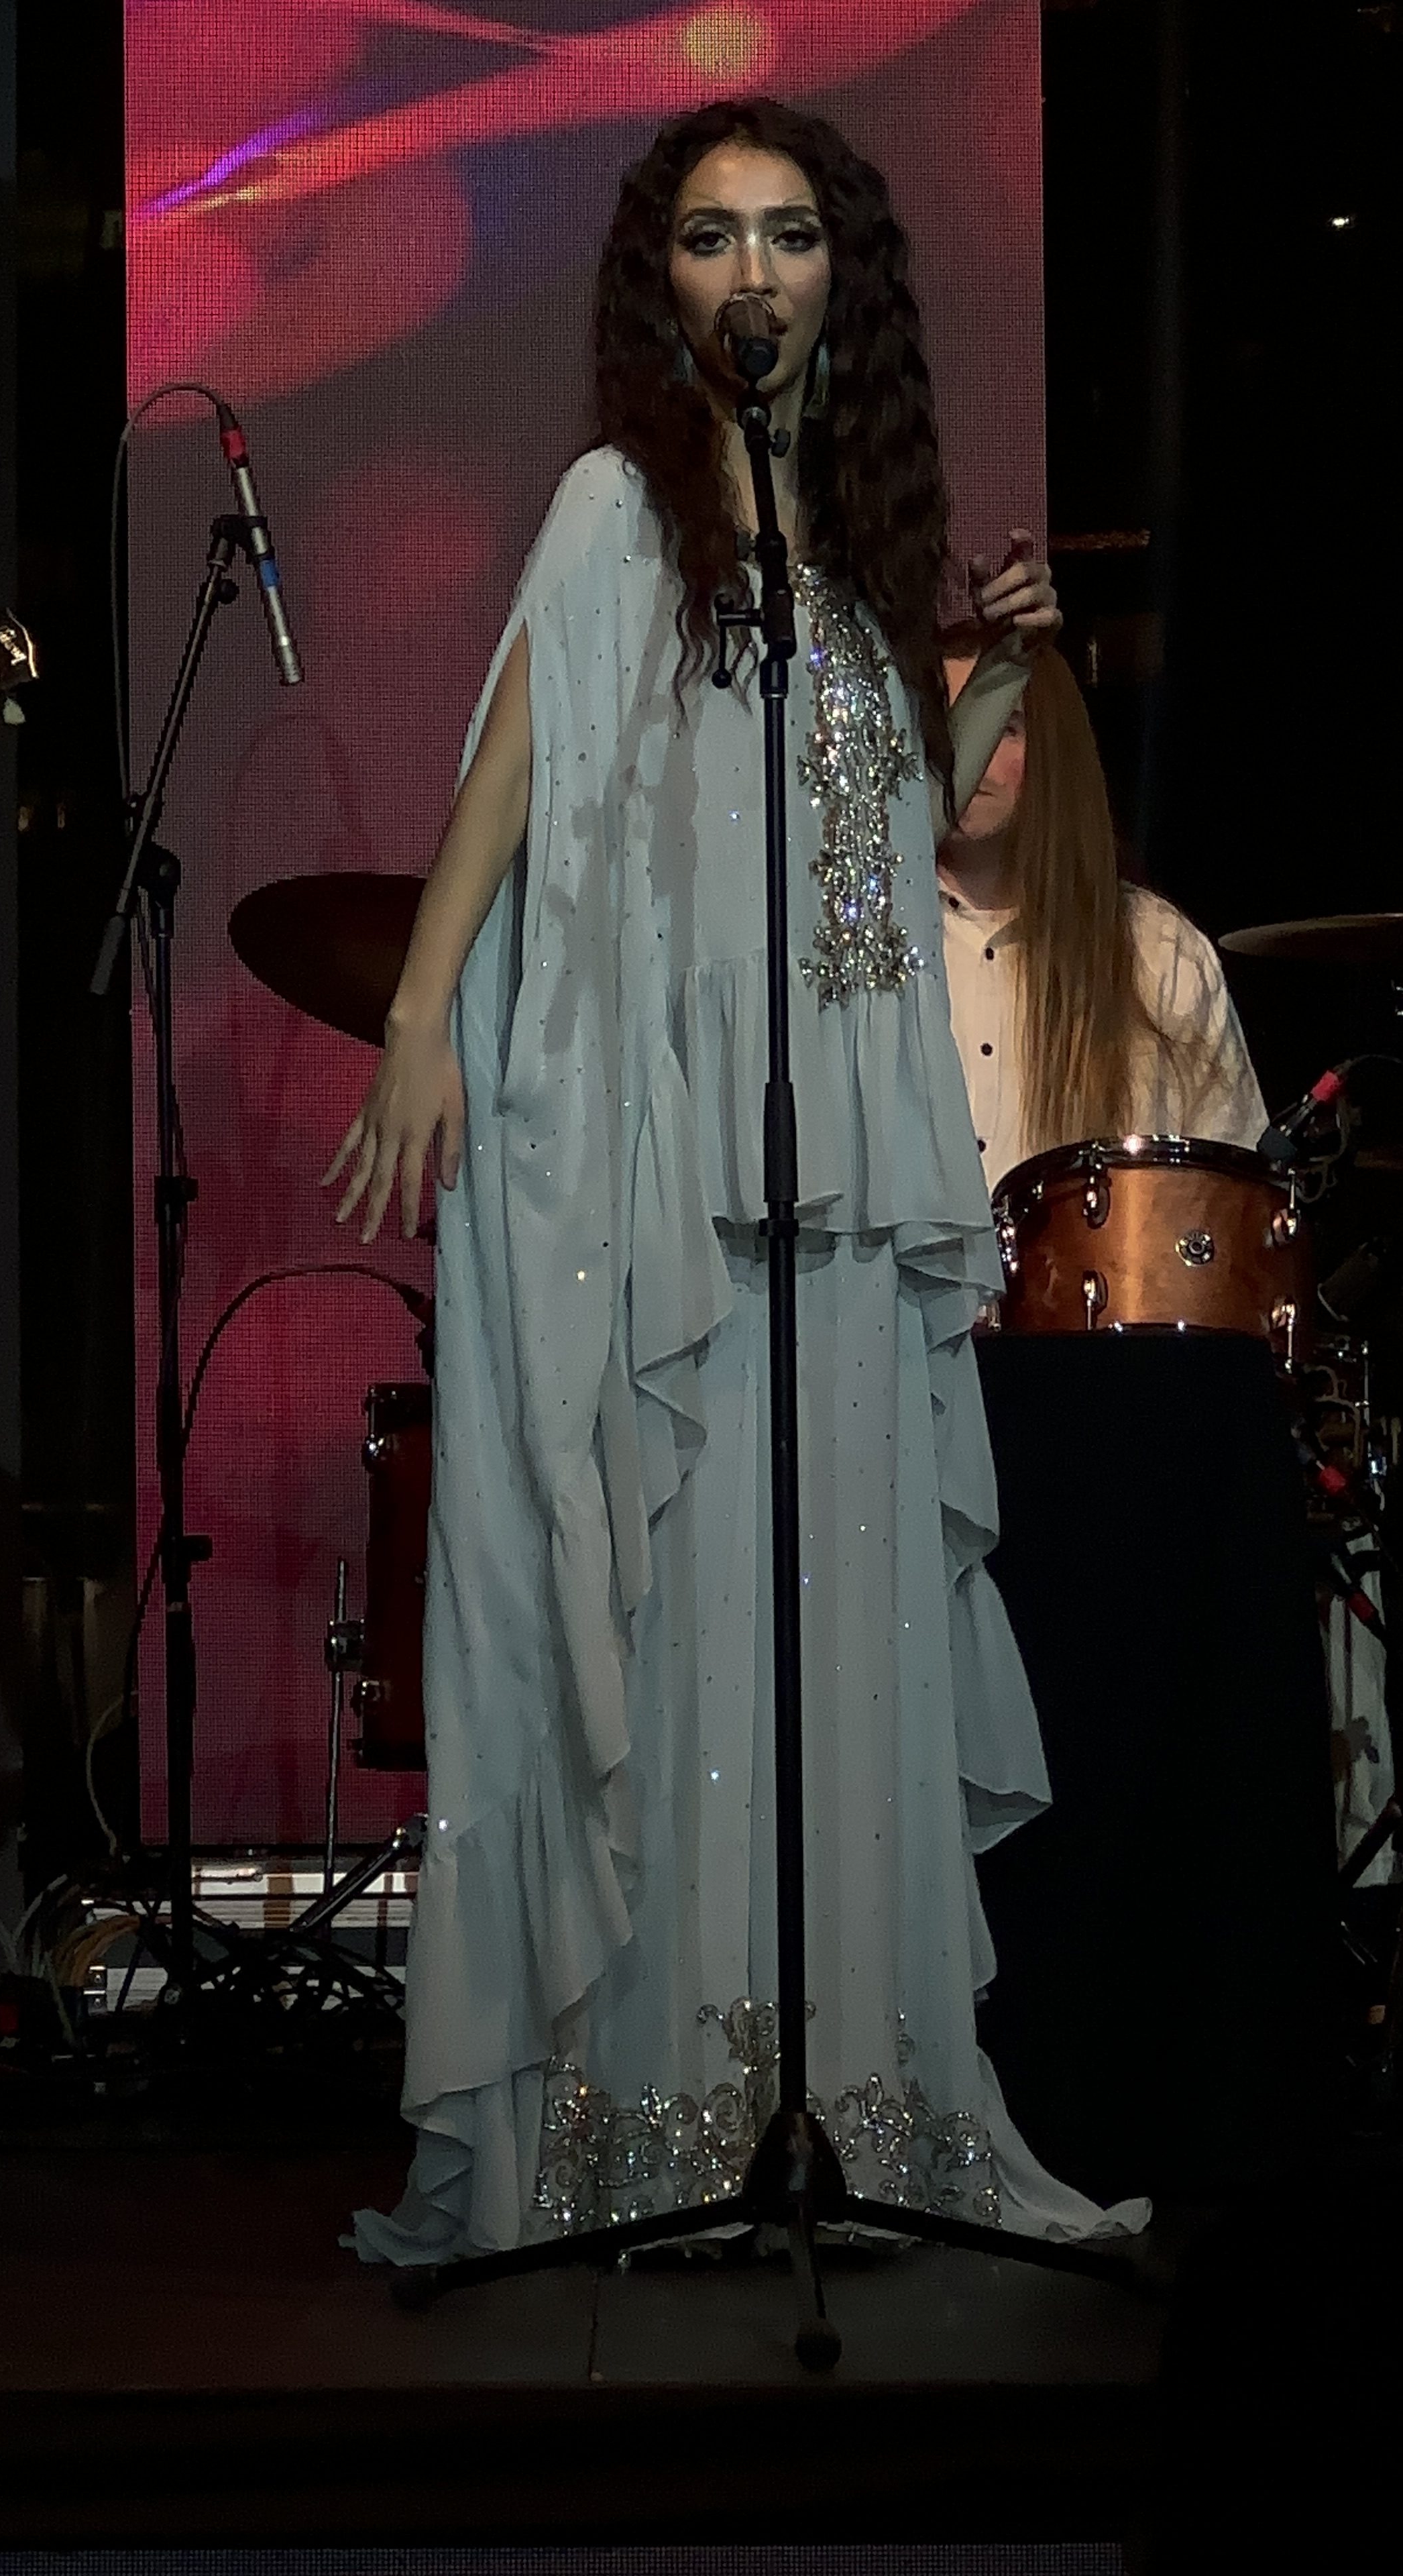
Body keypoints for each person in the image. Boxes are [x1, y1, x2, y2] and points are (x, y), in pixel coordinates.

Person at [325, 97, 1146, 2262]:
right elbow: (517, 764)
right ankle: (654, 2119)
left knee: (835, 1622)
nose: (752, 272)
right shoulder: (621, 504)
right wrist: (421, 1014)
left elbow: (875, 855)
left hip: (846, 1184)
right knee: (683, 1624)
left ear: (842, 280)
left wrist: (1007, 666)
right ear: (660, 282)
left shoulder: (853, 556)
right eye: (710, 236)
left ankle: (859, 2101)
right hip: (674, 1170)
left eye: (789, 234)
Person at [935, 630, 1266, 1192]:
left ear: (1052, 749)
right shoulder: (872, 940)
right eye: (948, 725)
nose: (967, 751)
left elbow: (1229, 1196)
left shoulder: (1158, 949)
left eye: (1002, 726)